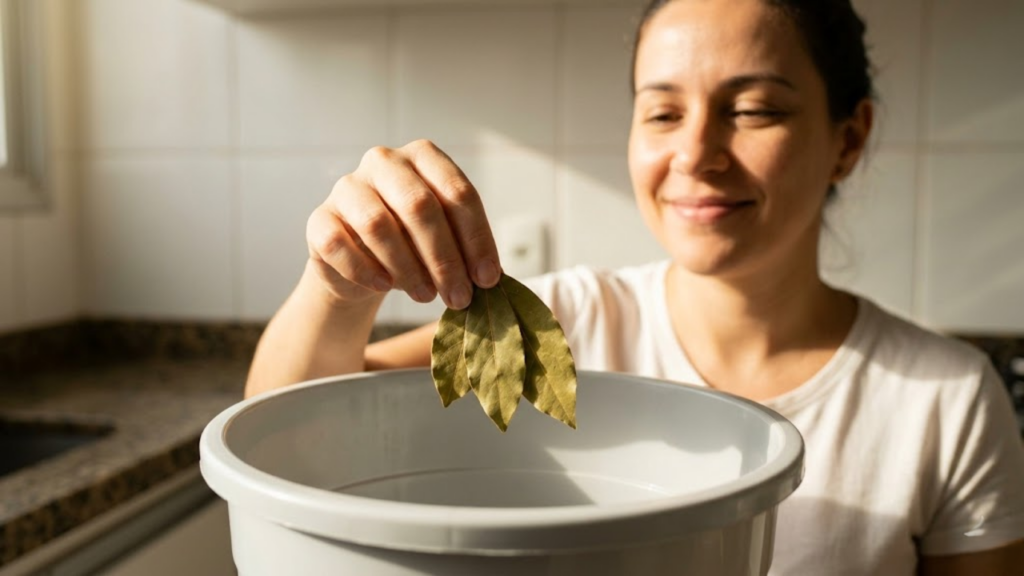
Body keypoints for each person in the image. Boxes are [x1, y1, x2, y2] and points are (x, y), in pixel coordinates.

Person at [245, 0, 1024, 572]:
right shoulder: (572, 322)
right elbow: (290, 431)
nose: (697, 153)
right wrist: (337, 287)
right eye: (661, 113)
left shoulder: (944, 400)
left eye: (752, 110)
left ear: (846, 140)